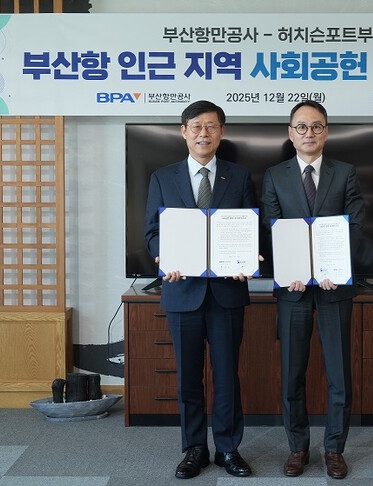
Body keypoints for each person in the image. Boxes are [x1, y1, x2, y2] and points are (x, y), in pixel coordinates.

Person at [144, 100, 254, 480]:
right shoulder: (163, 178)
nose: (203, 133)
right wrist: (162, 256)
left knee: (227, 376)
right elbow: (152, 231)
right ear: (184, 132)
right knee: (188, 378)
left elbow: (251, 227)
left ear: (221, 132)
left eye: (211, 126)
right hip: (182, 291)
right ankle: (194, 448)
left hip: (227, 293)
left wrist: (249, 257)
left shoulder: (239, 177)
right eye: (196, 127)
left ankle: (228, 448)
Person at [261, 100, 365, 479]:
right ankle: (298, 447)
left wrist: (334, 268)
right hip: (293, 290)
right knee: (292, 374)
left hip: (333, 287)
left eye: (317, 126)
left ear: (326, 132)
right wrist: (291, 269)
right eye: (302, 127)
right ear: (291, 133)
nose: (309, 133)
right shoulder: (275, 175)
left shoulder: (346, 172)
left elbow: (354, 225)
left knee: (339, 374)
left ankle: (334, 449)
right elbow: (271, 227)